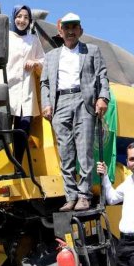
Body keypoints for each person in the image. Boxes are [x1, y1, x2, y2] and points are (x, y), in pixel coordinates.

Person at [40, 12, 109, 211]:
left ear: (80, 31)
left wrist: (103, 98)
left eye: (74, 28)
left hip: (83, 100)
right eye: (66, 28)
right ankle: (70, 196)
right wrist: (46, 103)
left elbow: (102, 77)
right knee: (65, 152)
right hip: (60, 102)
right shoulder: (51, 56)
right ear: (60, 31)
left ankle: (84, 195)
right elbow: (44, 83)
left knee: (84, 151)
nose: (70, 32)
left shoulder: (92, 51)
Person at [5, 5, 44, 170]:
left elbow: (44, 61)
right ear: (14, 18)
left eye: (26, 17)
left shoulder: (33, 40)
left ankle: (17, 165)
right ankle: (6, 166)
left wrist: (35, 63)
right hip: (7, 88)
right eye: (19, 16)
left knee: (24, 127)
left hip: (26, 90)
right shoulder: (6, 37)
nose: (22, 20)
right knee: (5, 129)